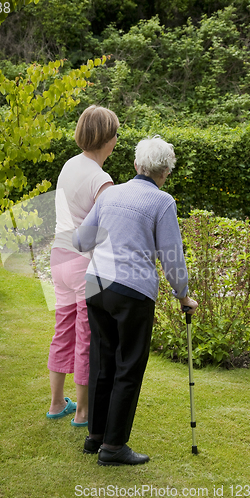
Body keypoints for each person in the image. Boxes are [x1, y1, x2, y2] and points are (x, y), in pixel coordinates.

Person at [72, 135, 198, 464]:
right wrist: (183, 296)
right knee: (128, 366)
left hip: (96, 284)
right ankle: (113, 447)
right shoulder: (162, 202)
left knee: (102, 361)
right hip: (132, 291)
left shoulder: (111, 193)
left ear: (135, 165)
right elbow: (172, 258)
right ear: (165, 172)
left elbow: (81, 239)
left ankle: (95, 436)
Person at [46, 105, 119, 426]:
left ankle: (56, 403)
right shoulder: (102, 180)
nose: (117, 139)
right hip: (82, 265)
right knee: (87, 336)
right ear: (107, 139)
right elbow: (110, 231)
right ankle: (83, 412)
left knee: (63, 330)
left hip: (57, 260)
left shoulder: (69, 166)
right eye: (115, 133)